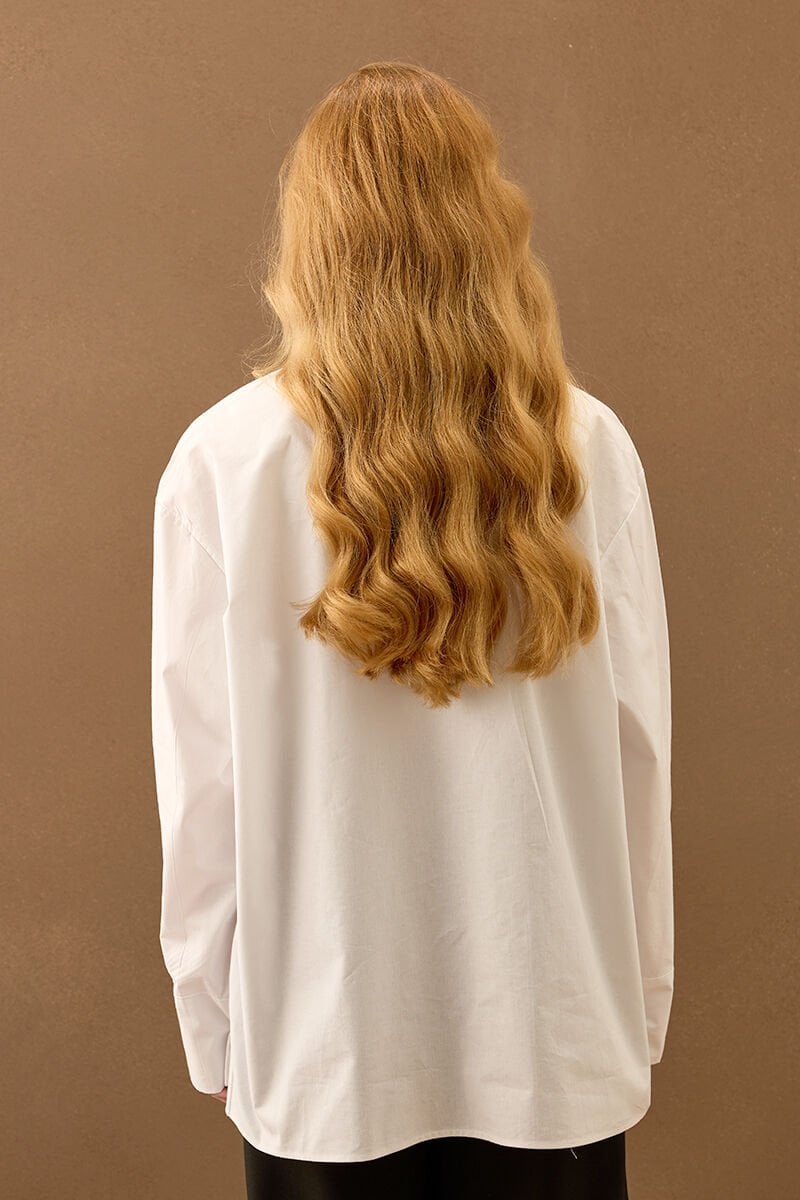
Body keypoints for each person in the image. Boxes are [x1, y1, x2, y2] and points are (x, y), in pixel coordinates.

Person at [151, 60, 673, 1199]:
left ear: (312, 234)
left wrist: (214, 1022)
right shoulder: (588, 449)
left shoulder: (221, 462)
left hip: (325, 1056)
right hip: (553, 1047)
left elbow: (203, 791)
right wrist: (630, 1010)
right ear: (487, 218)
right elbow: (638, 756)